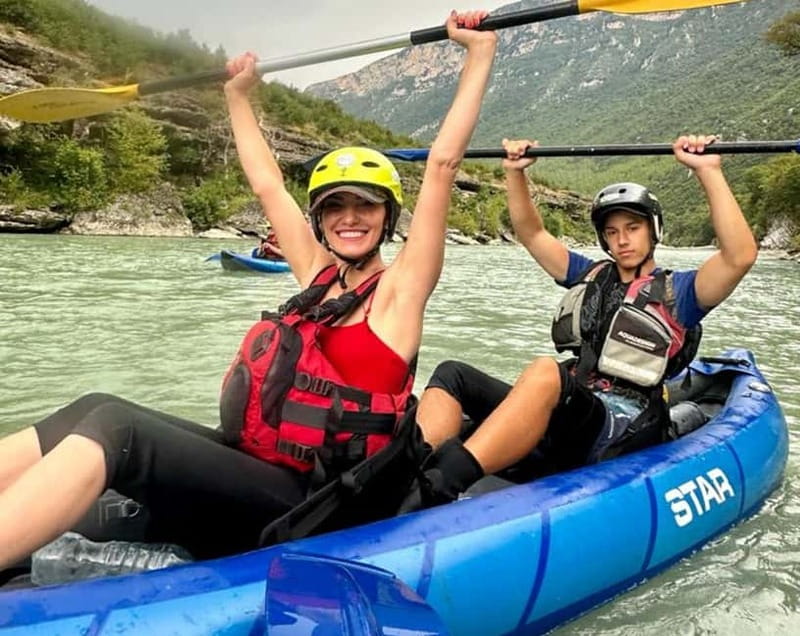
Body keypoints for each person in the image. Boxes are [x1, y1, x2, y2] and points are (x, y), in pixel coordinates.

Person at [0, 10, 497, 569]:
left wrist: (477, 55)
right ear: (318, 218)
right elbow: (266, 184)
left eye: (365, 205)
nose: (349, 218)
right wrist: (239, 96)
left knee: (120, 431)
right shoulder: (318, 278)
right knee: (95, 405)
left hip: (321, 506)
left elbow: (443, 165)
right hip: (264, 470)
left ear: (388, 217)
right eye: (334, 206)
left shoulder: (399, 295)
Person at [405, 133, 759, 508]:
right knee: (452, 373)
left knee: (545, 372)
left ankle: (442, 482)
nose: (621, 239)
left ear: (653, 230)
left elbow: (740, 256)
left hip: (621, 424)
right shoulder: (589, 274)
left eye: (632, 228)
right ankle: (408, 465)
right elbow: (532, 232)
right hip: (573, 409)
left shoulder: (681, 293)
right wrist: (515, 173)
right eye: (611, 231)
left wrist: (708, 170)